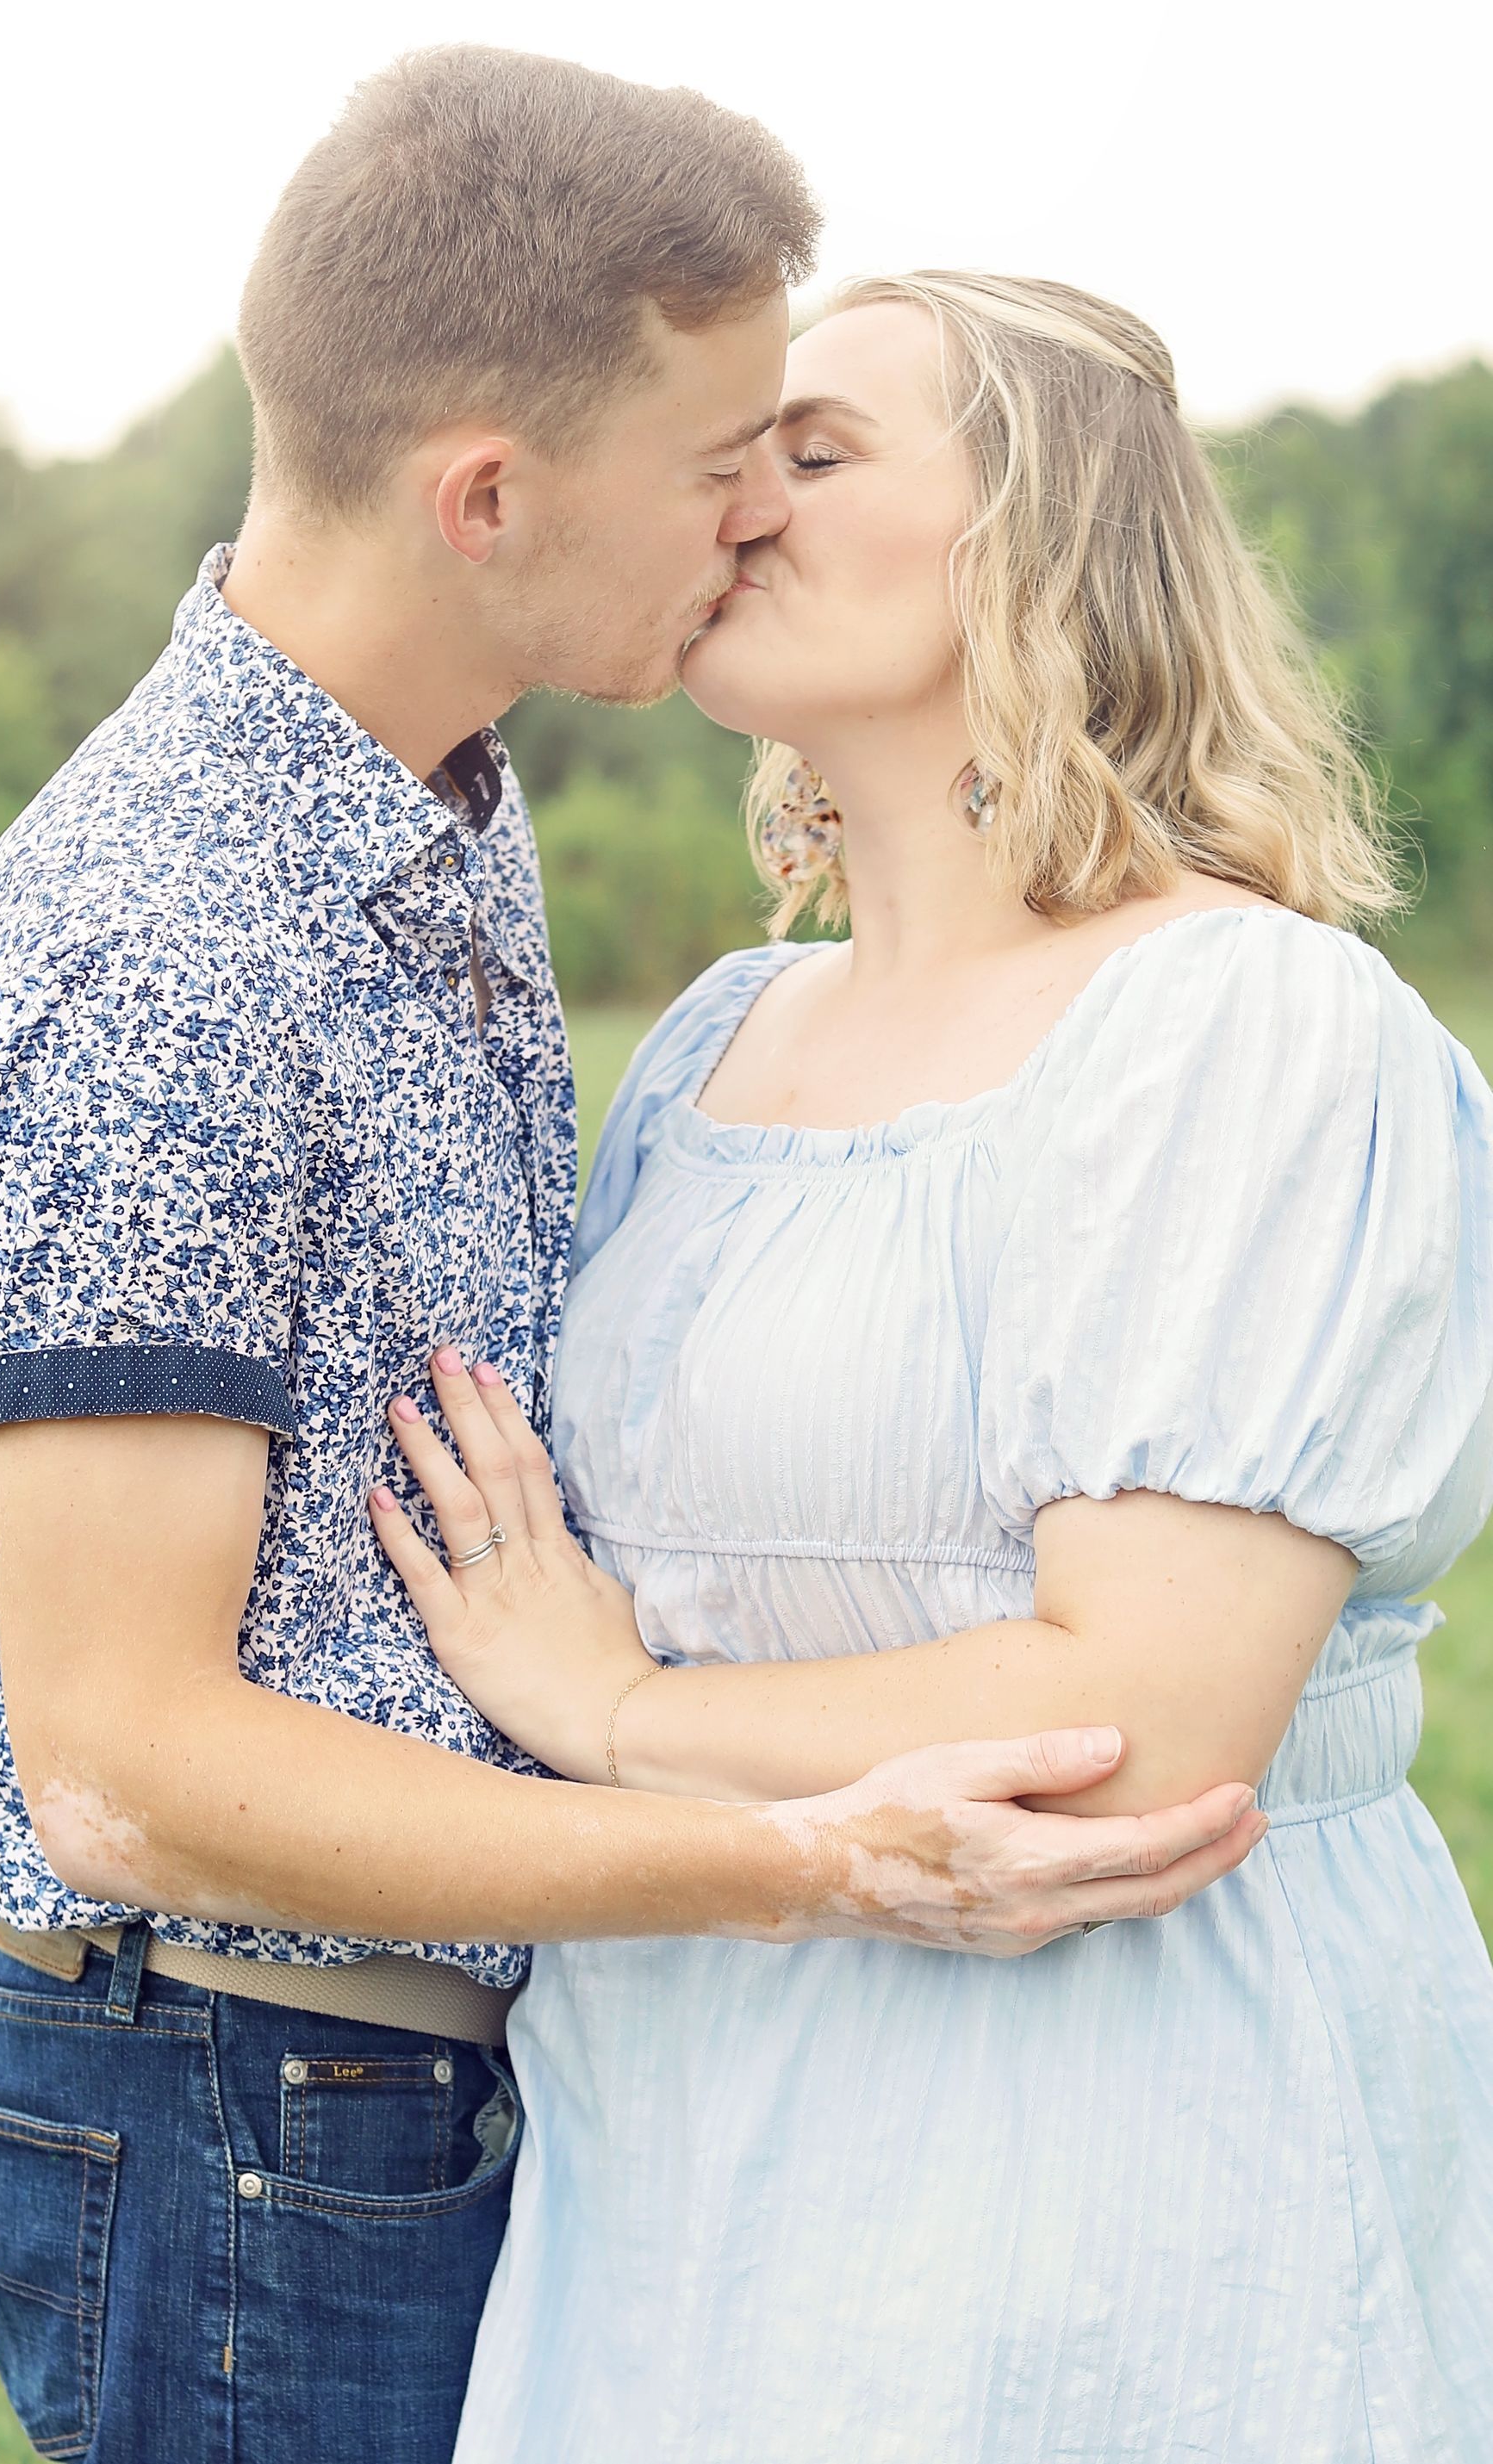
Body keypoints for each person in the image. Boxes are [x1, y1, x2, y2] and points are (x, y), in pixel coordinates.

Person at [0, 64, 1260, 2464]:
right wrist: (790, 1867)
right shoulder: (169, 944)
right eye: (726, 449)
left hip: (404, 2089)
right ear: (489, 497)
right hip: (248, 2100)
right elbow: (120, 1762)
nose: (754, 511)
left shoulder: (433, 814)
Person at [370, 274, 1493, 2461]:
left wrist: (616, 1715)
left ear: (1046, 537)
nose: (737, 509)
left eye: (815, 449)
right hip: (690, 2140)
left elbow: (1150, 1720)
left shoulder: (1247, 1020)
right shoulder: (710, 1037)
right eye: (725, 461)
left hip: (1107, 2146)